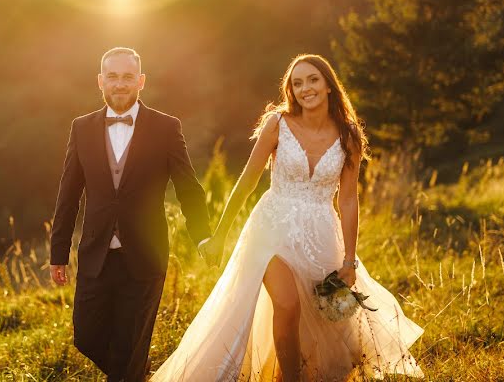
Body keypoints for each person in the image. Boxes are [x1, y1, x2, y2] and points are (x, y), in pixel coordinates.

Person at [151, 54, 424, 381]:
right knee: (289, 304)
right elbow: (247, 181)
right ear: (290, 91)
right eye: (297, 83)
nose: (305, 88)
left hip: (321, 232)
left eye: (312, 80)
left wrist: (349, 261)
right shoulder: (277, 125)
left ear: (328, 86)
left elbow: (348, 200)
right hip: (271, 228)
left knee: (323, 318)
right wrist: (220, 235)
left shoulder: (348, 136)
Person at [49, 47, 213, 382]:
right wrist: (58, 252)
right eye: (112, 76)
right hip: (96, 255)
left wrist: (203, 235)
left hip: (145, 257)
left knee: (129, 346)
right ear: (100, 81)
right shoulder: (81, 128)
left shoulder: (166, 127)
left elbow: (188, 187)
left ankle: (130, 371)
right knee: (86, 336)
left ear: (140, 81)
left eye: (127, 77)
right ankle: (134, 372)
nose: (119, 84)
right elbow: (68, 194)